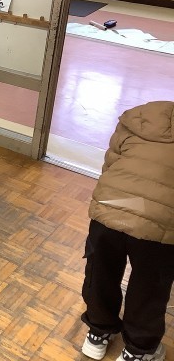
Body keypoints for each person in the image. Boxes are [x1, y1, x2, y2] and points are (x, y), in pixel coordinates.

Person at [80, 101, 174, 361]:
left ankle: (97, 332)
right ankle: (137, 351)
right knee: (149, 286)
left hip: (112, 203)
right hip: (159, 217)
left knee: (101, 270)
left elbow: (110, 163)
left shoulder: (139, 116)